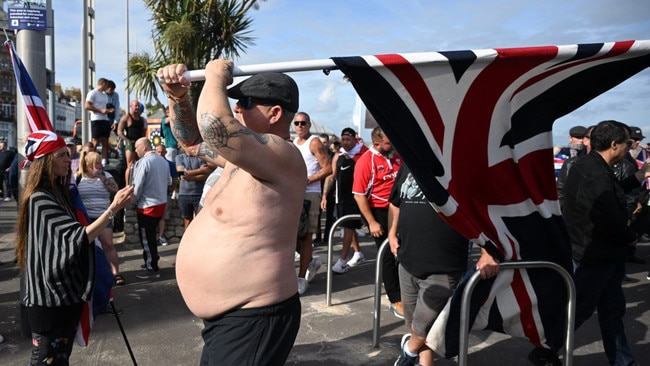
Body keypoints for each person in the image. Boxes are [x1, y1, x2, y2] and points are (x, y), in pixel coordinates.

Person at [158, 60, 304, 365]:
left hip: (254, 317)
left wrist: (215, 78)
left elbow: (215, 128)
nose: (238, 109)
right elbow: (191, 142)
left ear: (275, 113)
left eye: (246, 103)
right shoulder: (245, 159)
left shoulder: (283, 154)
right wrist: (177, 96)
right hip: (234, 321)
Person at [15, 130, 133, 366]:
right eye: (61, 156)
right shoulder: (39, 199)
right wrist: (114, 208)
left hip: (65, 294)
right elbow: (78, 237)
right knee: (46, 359)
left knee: (60, 358)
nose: (68, 161)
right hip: (48, 299)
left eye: (68, 155)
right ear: (46, 161)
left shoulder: (58, 195)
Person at [562, 120, 650, 366]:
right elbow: (609, 215)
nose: (630, 146)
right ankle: (547, 348)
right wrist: (630, 235)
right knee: (579, 311)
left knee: (611, 311)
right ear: (614, 145)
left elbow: (610, 195)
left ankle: (622, 360)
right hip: (596, 255)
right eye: (627, 143)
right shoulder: (596, 174)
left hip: (602, 254)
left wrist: (639, 176)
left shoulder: (590, 166)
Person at [388, 164, 472, 366]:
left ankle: (408, 353)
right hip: (407, 261)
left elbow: (484, 208)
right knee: (413, 324)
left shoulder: (458, 162)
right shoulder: (408, 163)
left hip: (443, 265)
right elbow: (394, 203)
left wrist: (488, 251)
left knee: (423, 326)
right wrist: (391, 234)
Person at [353, 126, 404, 318]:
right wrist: (372, 222)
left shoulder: (397, 155)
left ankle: (404, 289)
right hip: (379, 211)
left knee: (404, 251)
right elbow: (359, 195)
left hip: (399, 208)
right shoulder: (366, 161)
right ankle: (395, 298)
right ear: (376, 144)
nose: (392, 146)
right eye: (388, 143)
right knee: (387, 255)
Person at [293, 111, 332, 294]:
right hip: (294, 194)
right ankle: (310, 262)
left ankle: (302, 277)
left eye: (303, 123)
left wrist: (309, 179)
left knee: (306, 236)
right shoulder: (293, 143)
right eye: (297, 123)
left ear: (309, 125)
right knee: (293, 237)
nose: (300, 126)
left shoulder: (314, 142)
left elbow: (328, 168)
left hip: (310, 194)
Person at [321, 127, 367, 274]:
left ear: (354, 139)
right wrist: (324, 196)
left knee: (348, 226)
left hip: (356, 197)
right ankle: (358, 253)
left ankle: (342, 260)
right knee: (348, 226)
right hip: (341, 197)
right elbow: (332, 175)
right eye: (343, 140)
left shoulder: (363, 153)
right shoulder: (339, 154)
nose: (345, 143)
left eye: (348, 139)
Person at [75, 151, 124, 285]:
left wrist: (103, 179)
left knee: (108, 245)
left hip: (104, 216)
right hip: (86, 218)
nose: (100, 165)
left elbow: (115, 189)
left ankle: (115, 273)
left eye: (100, 162)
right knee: (86, 247)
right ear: (89, 164)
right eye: (96, 163)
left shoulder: (106, 175)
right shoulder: (79, 177)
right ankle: (88, 275)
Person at [130, 137, 170, 279]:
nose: (135, 150)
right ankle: (151, 261)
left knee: (146, 238)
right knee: (151, 237)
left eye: (137, 147)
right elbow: (169, 181)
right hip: (160, 203)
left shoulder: (145, 162)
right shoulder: (163, 161)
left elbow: (138, 186)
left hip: (147, 205)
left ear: (144, 147)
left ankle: (151, 267)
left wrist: (133, 202)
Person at [557, 126, 594, 212]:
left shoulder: (588, 155)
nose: (580, 140)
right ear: (570, 138)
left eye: (583, 137)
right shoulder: (560, 154)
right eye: (578, 137)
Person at [175, 151, 211, 228]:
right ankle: (188, 239)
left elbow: (205, 175)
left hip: (199, 194)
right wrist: (200, 170)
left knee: (200, 221)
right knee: (187, 221)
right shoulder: (179, 157)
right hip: (184, 195)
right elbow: (181, 174)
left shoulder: (201, 157)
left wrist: (190, 177)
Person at [84, 77, 115, 166]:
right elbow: (87, 106)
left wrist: (109, 110)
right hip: (96, 119)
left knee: (105, 140)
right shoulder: (92, 93)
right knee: (95, 141)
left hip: (105, 119)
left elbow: (104, 108)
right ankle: (91, 160)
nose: (107, 87)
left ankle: (103, 160)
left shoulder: (105, 95)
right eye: (107, 85)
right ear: (103, 84)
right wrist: (100, 110)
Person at [117, 99, 147, 185]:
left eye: (138, 106)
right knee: (130, 164)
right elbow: (119, 131)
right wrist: (127, 140)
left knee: (140, 164)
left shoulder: (141, 119)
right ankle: (127, 184)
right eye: (135, 106)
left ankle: (139, 182)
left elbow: (143, 132)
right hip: (131, 142)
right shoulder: (126, 117)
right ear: (131, 106)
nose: (137, 107)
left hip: (140, 143)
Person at [154, 144, 179, 246]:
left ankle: (161, 236)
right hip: (153, 194)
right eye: (158, 152)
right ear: (155, 152)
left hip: (165, 194)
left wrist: (171, 189)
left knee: (163, 217)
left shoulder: (170, 164)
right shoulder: (152, 164)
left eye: (162, 152)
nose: (160, 154)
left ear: (165, 152)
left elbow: (175, 179)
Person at [314, 133, 336, 244]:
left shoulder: (333, 156)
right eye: (321, 142)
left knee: (329, 216)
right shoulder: (316, 156)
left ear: (328, 143)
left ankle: (328, 237)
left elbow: (332, 175)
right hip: (318, 187)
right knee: (317, 215)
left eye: (325, 142)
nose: (323, 145)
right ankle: (318, 237)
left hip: (331, 190)